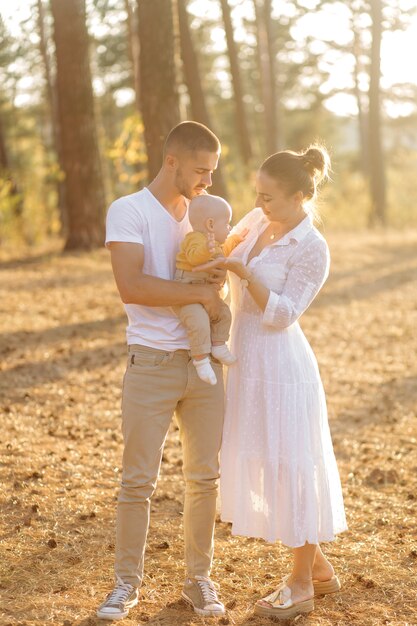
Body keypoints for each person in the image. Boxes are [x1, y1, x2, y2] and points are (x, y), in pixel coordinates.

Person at [194, 145, 347, 620]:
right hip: (246, 362)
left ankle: (301, 584)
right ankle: (319, 568)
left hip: (283, 368)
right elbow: (222, 253)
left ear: (301, 196)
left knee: (291, 467)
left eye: (271, 199)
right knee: (263, 460)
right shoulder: (257, 222)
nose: (260, 206)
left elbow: (282, 314)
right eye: (257, 195)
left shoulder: (312, 248)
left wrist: (242, 271)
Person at [96, 121, 227, 621]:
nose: (208, 183)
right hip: (150, 362)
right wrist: (198, 293)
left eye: (213, 173)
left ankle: (199, 581)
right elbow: (132, 286)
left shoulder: (208, 218)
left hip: (207, 367)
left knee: (204, 479)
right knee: (137, 482)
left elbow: (222, 281)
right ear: (171, 161)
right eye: (201, 170)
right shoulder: (128, 211)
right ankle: (125, 585)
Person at [174, 194, 246, 385]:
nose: (229, 227)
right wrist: (206, 248)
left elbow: (223, 252)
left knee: (224, 314)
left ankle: (219, 345)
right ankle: (201, 360)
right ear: (211, 225)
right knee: (199, 323)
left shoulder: (215, 244)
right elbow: (194, 258)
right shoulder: (195, 239)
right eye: (227, 223)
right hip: (187, 292)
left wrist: (235, 240)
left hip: (206, 293)